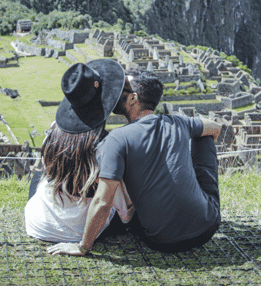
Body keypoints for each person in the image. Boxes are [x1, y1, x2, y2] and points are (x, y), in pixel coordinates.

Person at [47, 68, 222, 256]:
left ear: (133, 98)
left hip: (160, 240)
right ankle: (195, 207)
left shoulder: (117, 139)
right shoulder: (178, 123)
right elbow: (216, 128)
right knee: (204, 137)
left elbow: (103, 201)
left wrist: (83, 246)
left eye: (121, 88)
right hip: (207, 228)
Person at [24, 60, 134, 242]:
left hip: (39, 222)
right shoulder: (106, 145)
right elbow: (123, 210)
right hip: (79, 231)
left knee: (41, 175)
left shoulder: (53, 132)